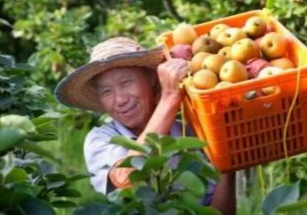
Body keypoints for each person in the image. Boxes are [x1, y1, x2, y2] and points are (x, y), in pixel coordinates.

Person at [54, 37, 236, 214]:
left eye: (126, 83)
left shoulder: (191, 132)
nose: (120, 100)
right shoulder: (102, 139)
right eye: (106, 91)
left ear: (150, 78)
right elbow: (126, 178)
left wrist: (227, 162)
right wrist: (170, 97)